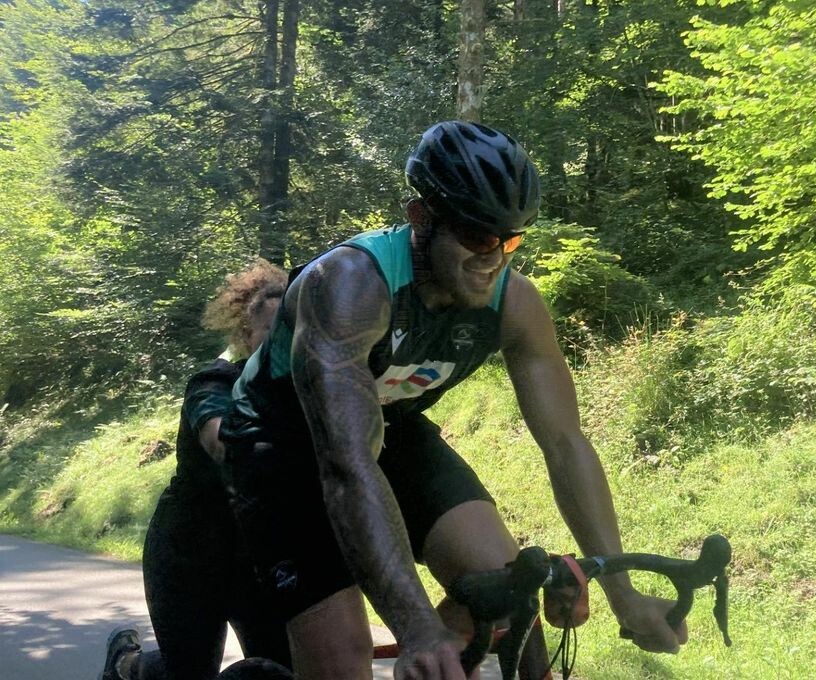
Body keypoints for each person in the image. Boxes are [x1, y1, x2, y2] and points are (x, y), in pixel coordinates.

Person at [219, 120, 686, 680]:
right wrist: (414, 626)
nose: (495, 255)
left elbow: (565, 445)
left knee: (513, 591)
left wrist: (624, 595)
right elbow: (345, 464)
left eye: (512, 238)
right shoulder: (349, 285)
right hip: (279, 443)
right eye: (478, 236)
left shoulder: (514, 304)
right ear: (421, 219)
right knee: (343, 659)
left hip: (388, 427)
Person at [100, 261, 293, 680]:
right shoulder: (213, 382)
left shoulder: (313, 388)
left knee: (282, 668)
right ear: (246, 335)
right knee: (188, 672)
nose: (287, 344)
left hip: (258, 560)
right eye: (274, 333)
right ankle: (125, 666)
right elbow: (221, 441)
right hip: (187, 555)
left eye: (296, 332)